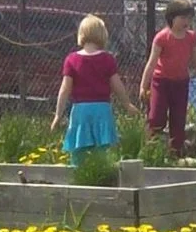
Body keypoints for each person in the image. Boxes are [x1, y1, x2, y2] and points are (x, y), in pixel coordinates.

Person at [53, 15, 136, 163]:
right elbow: (117, 85)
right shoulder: (108, 59)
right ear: (102, 34)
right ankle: (101, 172)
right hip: (102, 109)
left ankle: (79, 175)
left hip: (80, 110)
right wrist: (127, 104)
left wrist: (58, 115)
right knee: (102, 148)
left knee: (79, 148)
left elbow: (65, 89)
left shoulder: (71, 60)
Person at [138, 0, 196, 157]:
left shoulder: (191, 37)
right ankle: (150, 151)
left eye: (189, 18)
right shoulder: (162, 38)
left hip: (181, 83)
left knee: (178, 119)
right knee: (156, 117)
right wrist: (143, 86)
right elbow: (152, 63)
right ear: (172, 18)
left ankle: (175, 153)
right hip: (161, 83)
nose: (186, 22)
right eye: (183, 18)